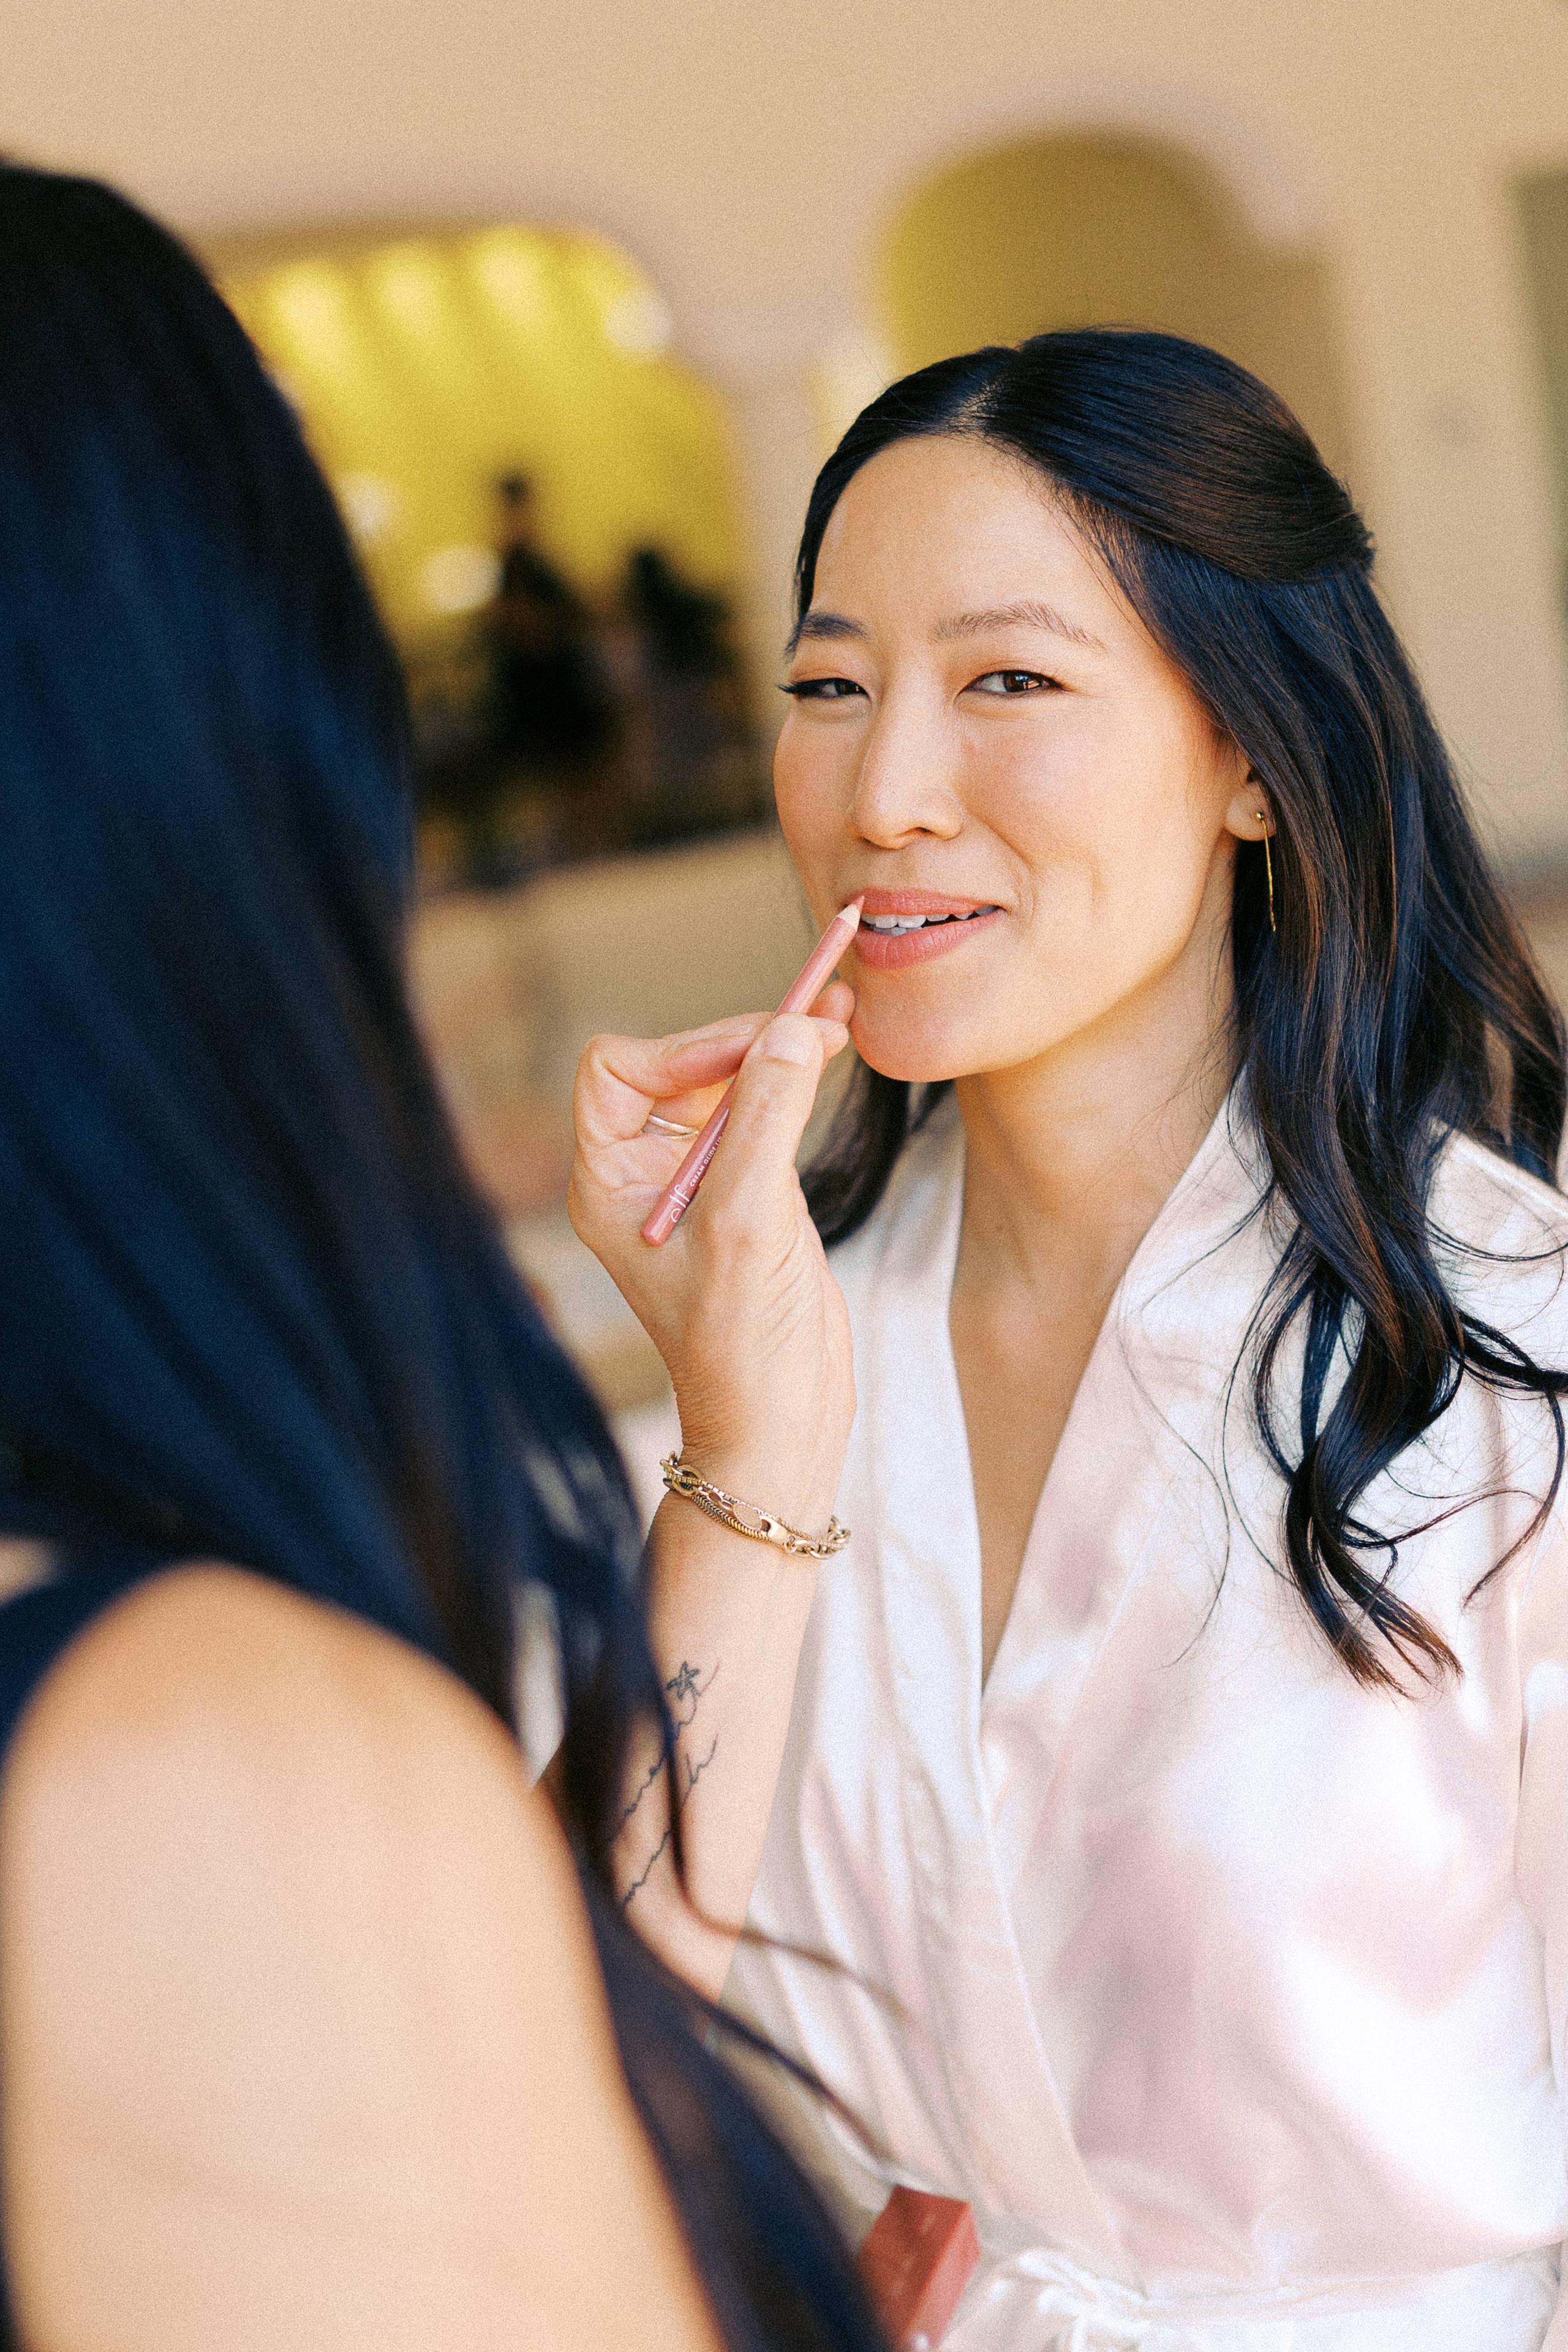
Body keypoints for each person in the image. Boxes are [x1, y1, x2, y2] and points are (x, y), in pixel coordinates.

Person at [571, 331, 1568, 2348]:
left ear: (1256, 762)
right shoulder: (785, 1348)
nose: (883, 793)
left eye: (1008, 682)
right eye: (829, 688)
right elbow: (574, 2036)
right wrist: (744, 1448)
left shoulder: (1507, 1357)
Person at [0, 161, 889, 2352]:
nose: (897, 793)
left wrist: (752, 1453)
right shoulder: (190, 1782)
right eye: (835, 683)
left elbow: (470, 2101)